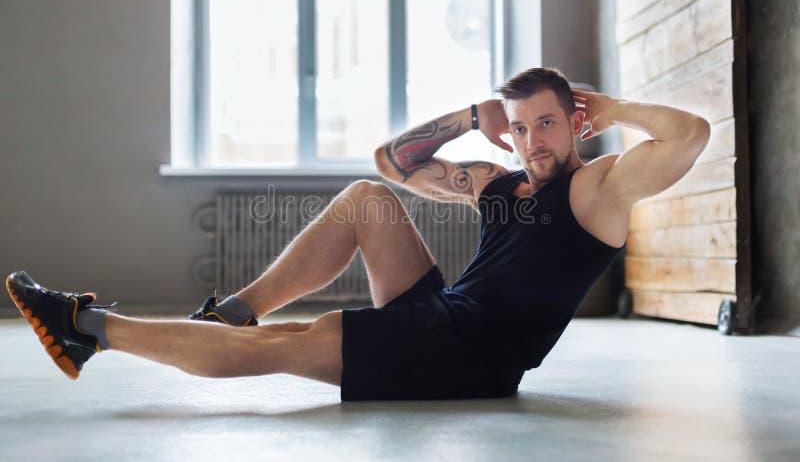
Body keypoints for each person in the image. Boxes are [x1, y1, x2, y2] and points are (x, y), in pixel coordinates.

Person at [6, 67, 710, 401]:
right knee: (367, 198)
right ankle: (235, 310)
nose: (531, 141)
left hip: (470, 359)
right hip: (445, 318)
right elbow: (392, 162)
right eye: (520, 127)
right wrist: (472, 117)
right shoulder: (497, 185)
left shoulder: (598, 190)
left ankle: (86, 326)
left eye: (546, 123)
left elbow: (692, 134)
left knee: (281, 350)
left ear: (576, 121)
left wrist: (616, 106)